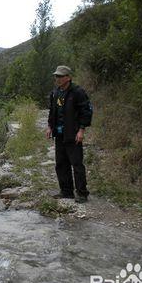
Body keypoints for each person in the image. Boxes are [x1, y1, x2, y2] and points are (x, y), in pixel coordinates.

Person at [46, 66, 92, 203]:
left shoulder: (78, 92)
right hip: (59, 135)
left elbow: (86, 111)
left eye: (60, 76)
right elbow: (52, 112)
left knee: (77, 164)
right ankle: (66, 191)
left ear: (68, 77)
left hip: (73, 134)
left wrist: (81, 130)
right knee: (61, 163)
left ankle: (82, 193)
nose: (57, 79)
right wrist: (49, 127)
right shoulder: (55, 93)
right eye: (56, 76)